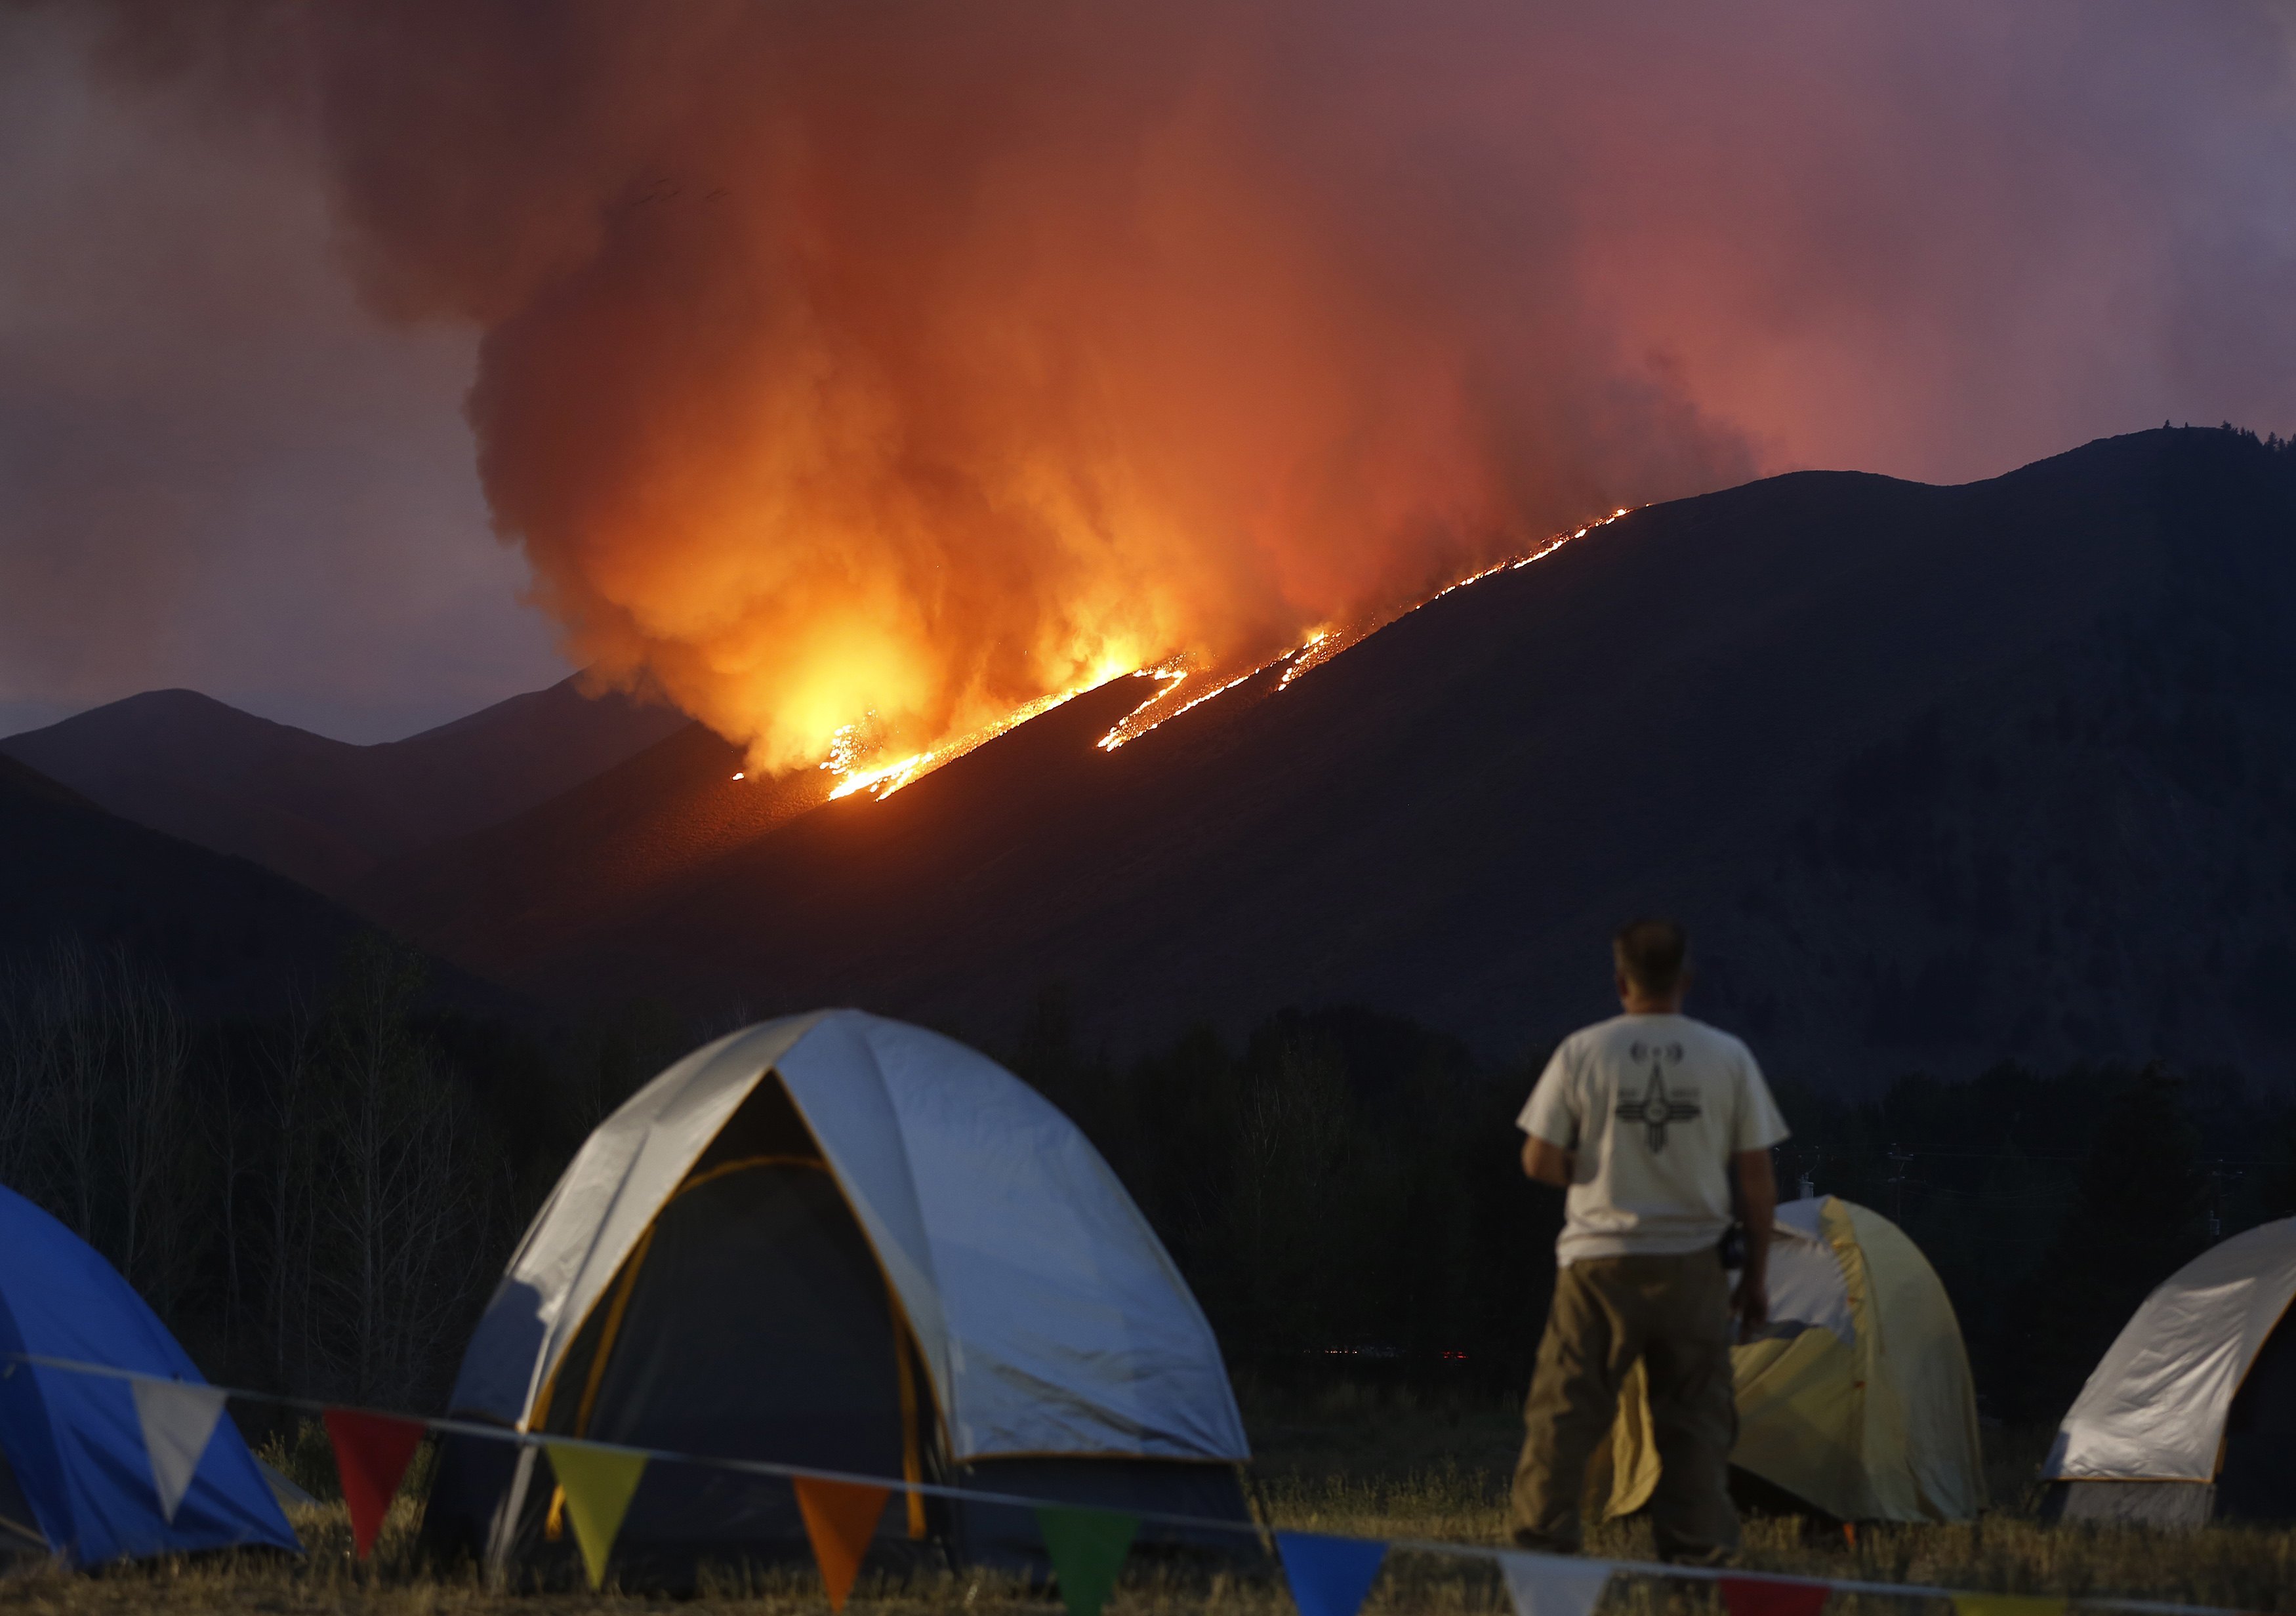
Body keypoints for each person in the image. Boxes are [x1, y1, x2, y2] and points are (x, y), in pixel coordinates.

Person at [1509, 918, 1786, 1565]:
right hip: (1692, 1266)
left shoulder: (1584, 1051)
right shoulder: (1727, 1057)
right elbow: (1755, 1181)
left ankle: (1543, 1557)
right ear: (1684, 980)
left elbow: (1536, 1160)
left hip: (1596, 1264)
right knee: (1693, 1426)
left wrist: (1597, 1167)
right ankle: (1694, 1564)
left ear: (1619, 981)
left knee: (1565, 1415)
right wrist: (1755, 1277)